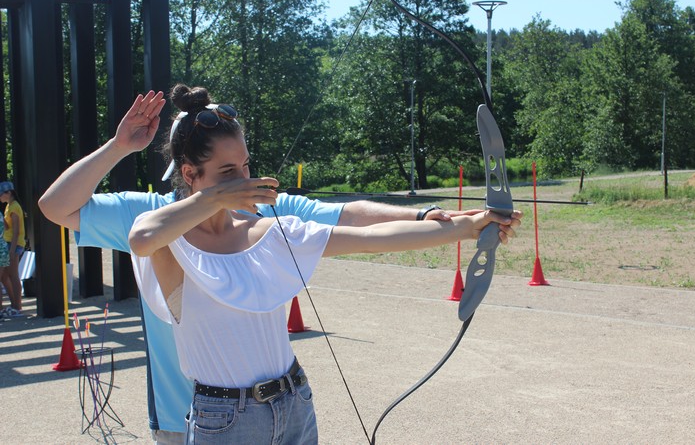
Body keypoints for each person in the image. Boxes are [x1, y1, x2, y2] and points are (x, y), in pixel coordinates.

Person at [38, 88, 519, 444]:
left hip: (289, 403)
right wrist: (121, 146)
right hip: (193, 413)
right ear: (190, 174)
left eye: (246, 167)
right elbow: (67, 210)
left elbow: (356, 225)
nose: (245, 180)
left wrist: (456, 221)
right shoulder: (151, 221)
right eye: (229, 173)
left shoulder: (264, 223)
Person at [0, 181, 26, 317]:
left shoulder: (14, 207)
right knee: (4, 276)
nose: (0, 197)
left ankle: (18, 306)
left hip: (14, 244)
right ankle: (13, 304)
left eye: (1, 194)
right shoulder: (9, 206)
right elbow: (7, 228)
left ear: (8, 193)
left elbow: (15, 231)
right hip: (9, 243)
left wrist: (12, 250)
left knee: (13, 276)